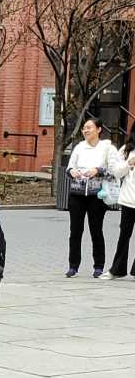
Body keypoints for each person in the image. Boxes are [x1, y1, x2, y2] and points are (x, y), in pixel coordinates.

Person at [65, 117, 121, 278]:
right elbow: (69, 168)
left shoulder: (107, 147)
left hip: (96, 195)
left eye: (89, 127)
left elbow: (114, 170)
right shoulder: (79, 147)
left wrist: (98, 170)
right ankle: (73, 266)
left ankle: (98, 266)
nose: (86, 130)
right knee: (75, 231)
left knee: (96, 230)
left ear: (99, 129)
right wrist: (72, 172)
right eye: (84, 128)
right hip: (77, 193)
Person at [104, 140, 135, 279]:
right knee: (124, 236)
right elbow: (116, 173)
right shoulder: (126, 149)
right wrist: (128, 163)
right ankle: (117, 270)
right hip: (129, 200)